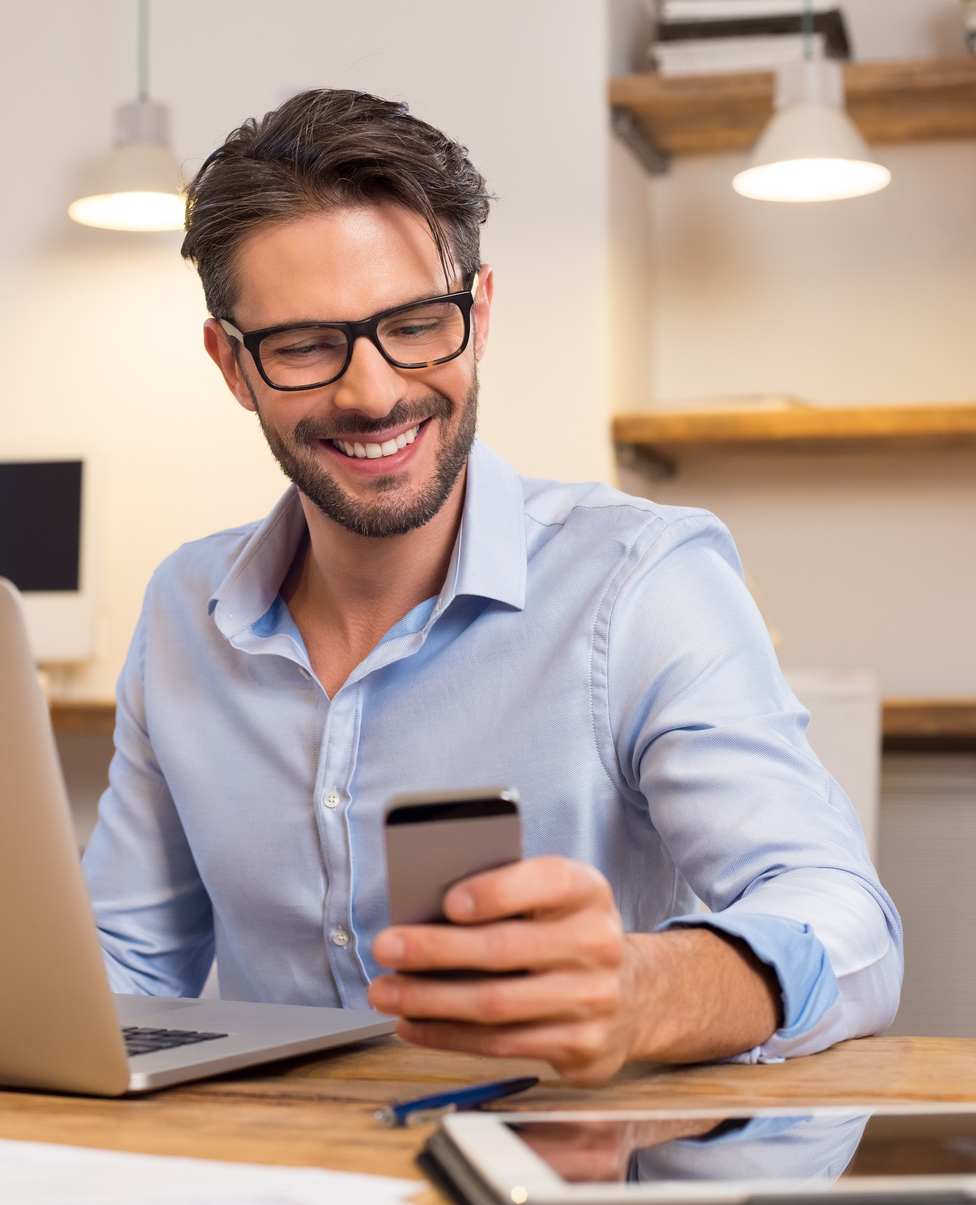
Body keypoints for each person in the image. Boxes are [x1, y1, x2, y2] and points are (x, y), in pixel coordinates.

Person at [80, 89, 900, 1084]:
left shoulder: (640, 582)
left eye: (417, 324)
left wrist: (647, 988)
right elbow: (125, 971)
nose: (373, 391)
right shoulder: (183, 611)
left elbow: (841, 919)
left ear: (478, 314)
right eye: (303, 344)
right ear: (232, 365)